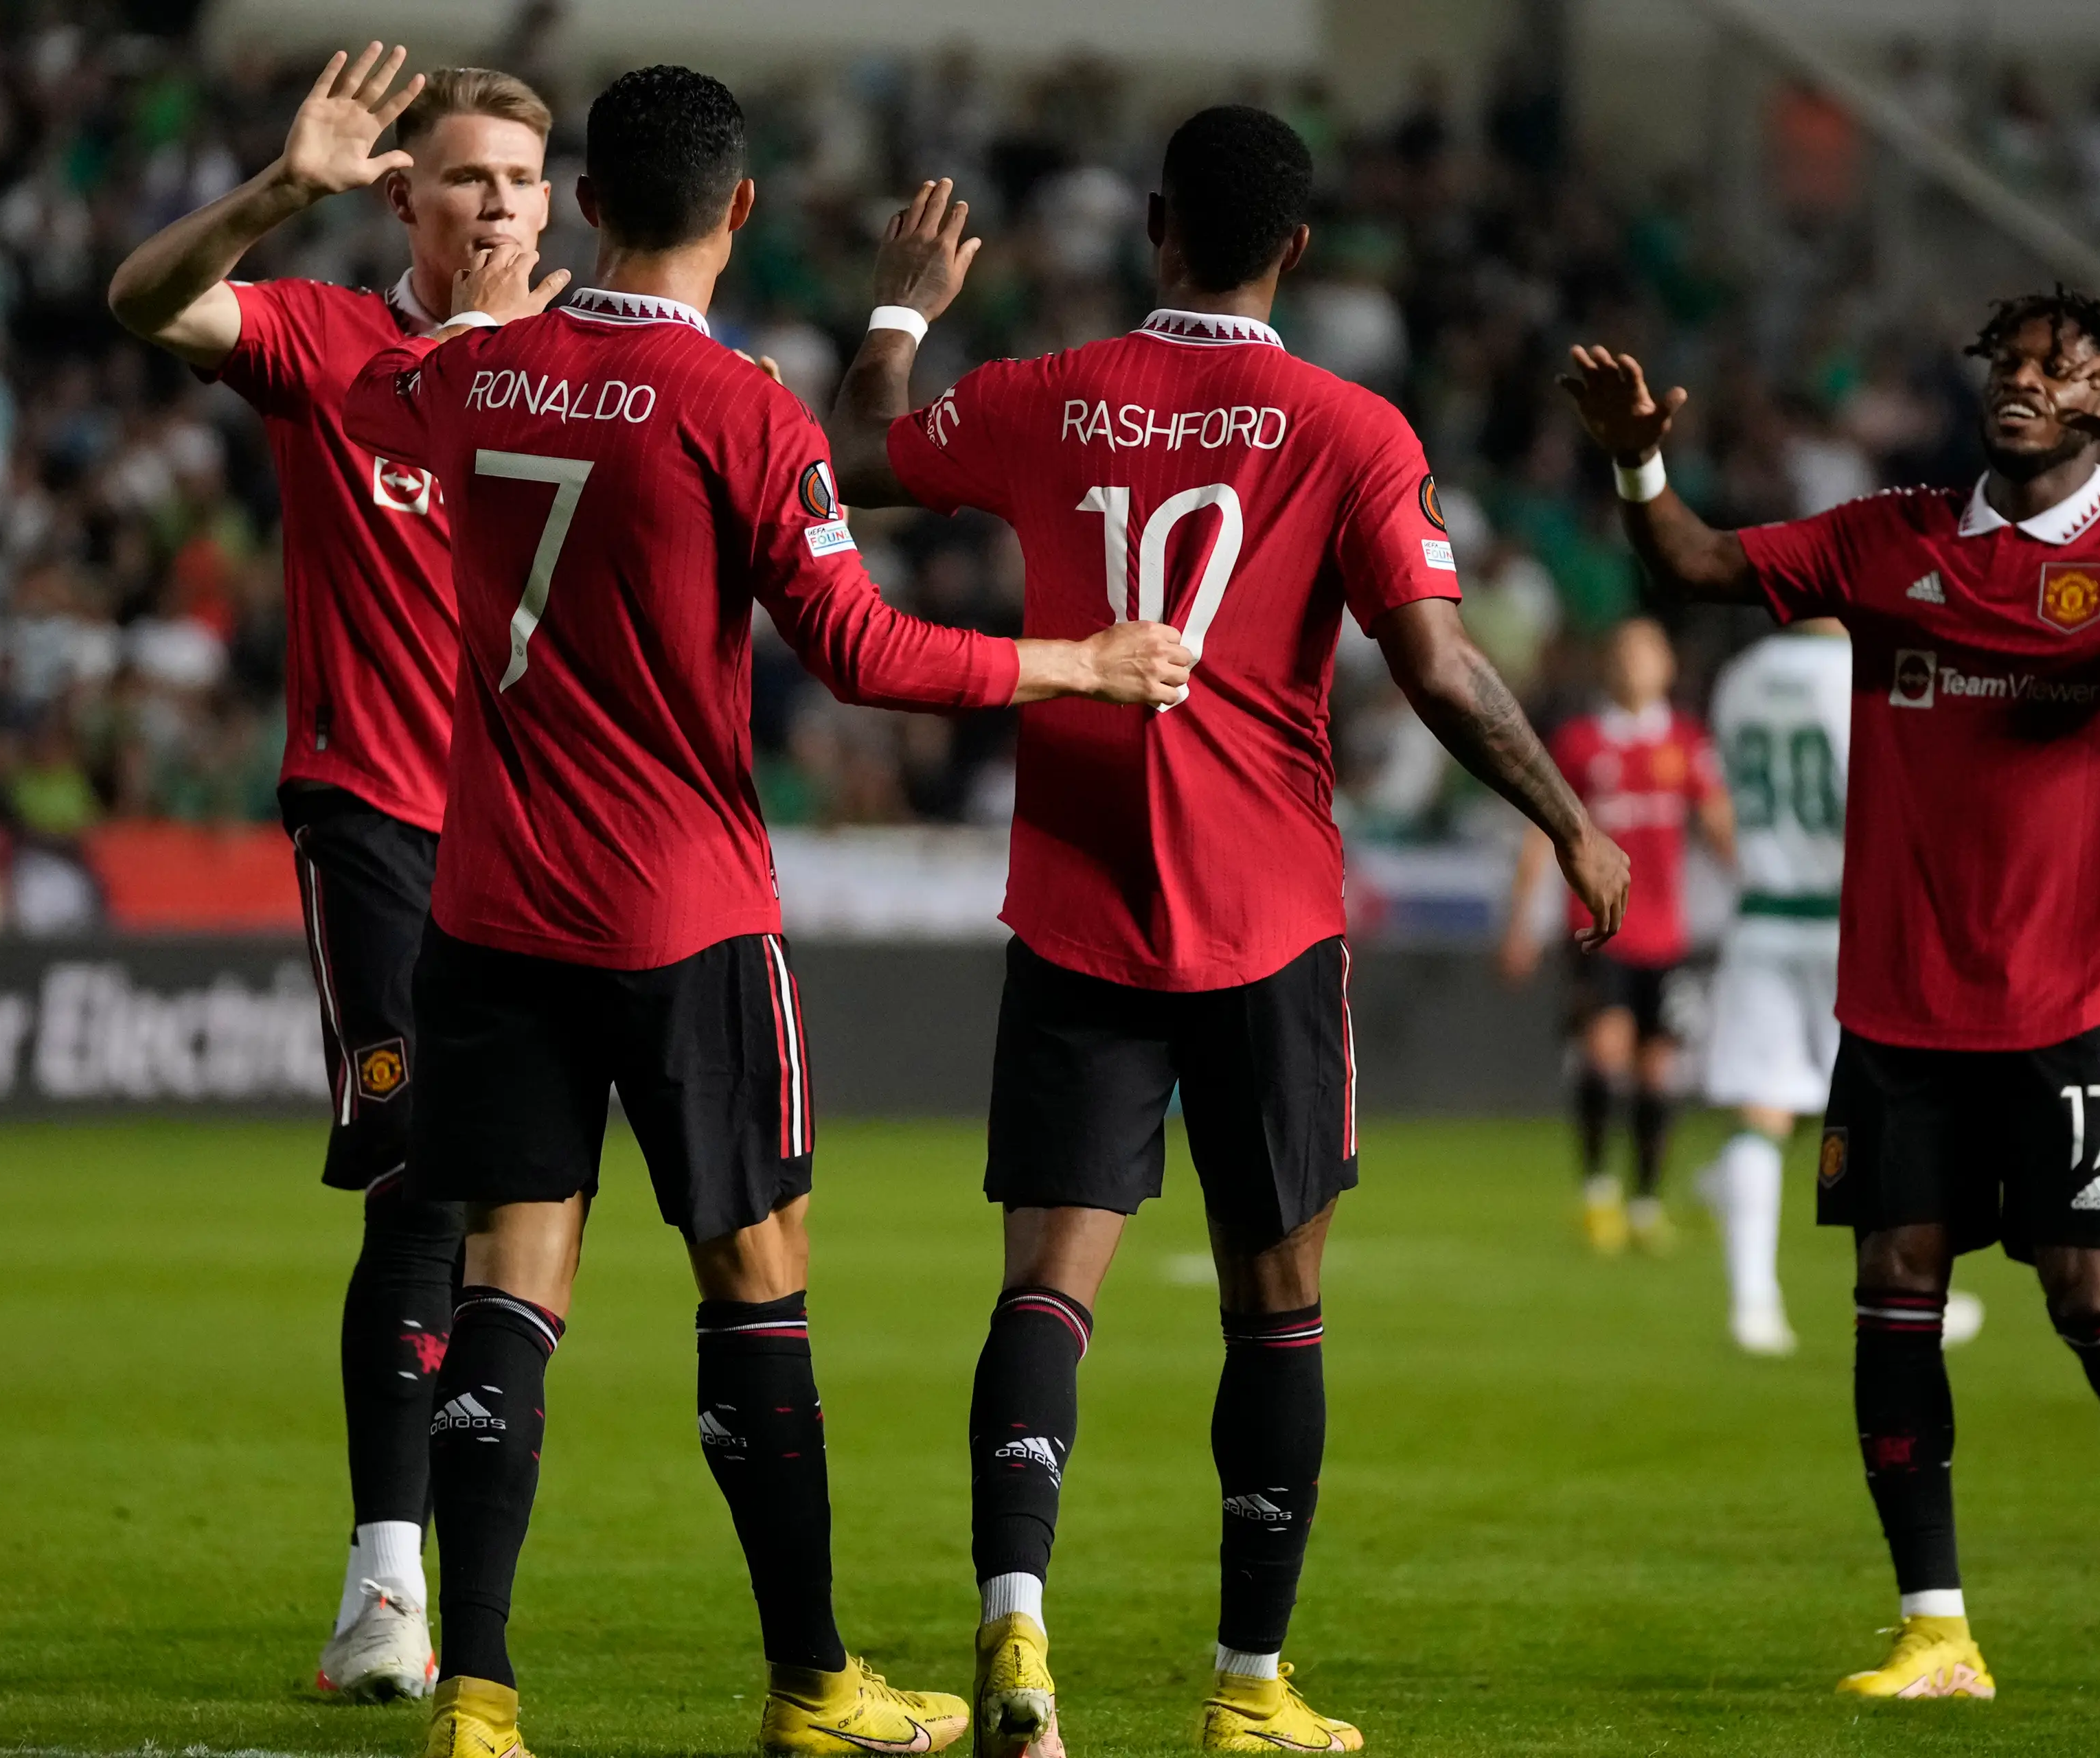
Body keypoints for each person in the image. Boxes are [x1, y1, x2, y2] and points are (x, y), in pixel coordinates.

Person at [341, 65, 1191, 1758]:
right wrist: (1076, 661)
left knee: (510, 1283)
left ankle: (481, 1693)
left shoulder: (469, 376)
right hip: (684, 909)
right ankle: (809, 1679)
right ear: (737, 212)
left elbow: (391, 406)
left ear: (585, 202)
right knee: (754, 1279)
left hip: (493, 899)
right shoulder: (744, 412)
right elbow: (864, 652)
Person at [827, 110, 1630, 1756]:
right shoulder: (1348, 425)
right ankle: (1248, 1685)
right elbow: (1437, 668)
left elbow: (858, 466)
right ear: (1299, 253)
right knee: (1277, 1306)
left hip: (1072, 898)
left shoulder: (1046, 394)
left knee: (1046, 1290)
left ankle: (1016, 1639)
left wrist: (901, 316)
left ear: (1150, 226)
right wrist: (1567, 817)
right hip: (1265, 918)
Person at [1562, 286, 2100, 1698]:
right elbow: (1693, 564)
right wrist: (1635, 460)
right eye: (2007, 364)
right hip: (1899, 1005)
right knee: (1890, 1287)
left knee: (2088, 1288)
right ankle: (1936, 1626)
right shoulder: (1886, 535)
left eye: (2056, 369)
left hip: (2070, 1000)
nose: (2022, 384)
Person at [107, 47, 556, 1701]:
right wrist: (274, 190)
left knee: (527, 1212)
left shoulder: (583, 371)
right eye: (464, 176)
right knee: (417, 1176)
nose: (496, 202)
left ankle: (466, 1593)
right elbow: (147, 301)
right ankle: (386, 1583)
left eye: (520, 177)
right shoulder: (326, 338)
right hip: (376, 815)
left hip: (546, 834)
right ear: (402, 196)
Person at [1499, 618, 1734, 1255]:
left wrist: (1759, 890)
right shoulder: (1578, 743)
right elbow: (1537, 835)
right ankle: (1599, 1193)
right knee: (1607, 1054)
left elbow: (1719, 827)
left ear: (1666, 667)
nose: (1635, 664)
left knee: (1660, 1072)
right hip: (1597, 933)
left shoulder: (1686, 742)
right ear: (1608, 665)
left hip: (1668, 937)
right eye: (1625, 653)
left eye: (1647, 653)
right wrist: (1523, 922)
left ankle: (1646, 1202)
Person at [1691, 616, 1851, 1354]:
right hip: (1846, 919)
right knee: (1879, 1113)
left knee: (1761, 1115)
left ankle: (1753, 1300)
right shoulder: (1858, 672)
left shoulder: (1739, 677)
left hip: (1759, 912)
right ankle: (1907, 1290)